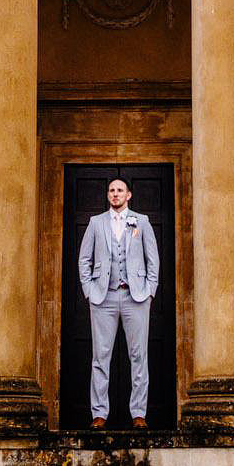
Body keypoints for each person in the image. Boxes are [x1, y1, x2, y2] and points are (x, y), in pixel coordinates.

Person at [76, 176, 160, 429]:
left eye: (120, 190)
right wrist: (90, 290)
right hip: (104, 297)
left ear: (129, 195)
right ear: (108, 195)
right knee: (101, 357)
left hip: (136, 297)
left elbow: (152, 260)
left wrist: (150, 292)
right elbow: (84, 260)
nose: (115, 194)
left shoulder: (142, 222)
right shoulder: (95, 223)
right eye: (111, 190)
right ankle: (99, 414)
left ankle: (138, 414)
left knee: (138, 356)